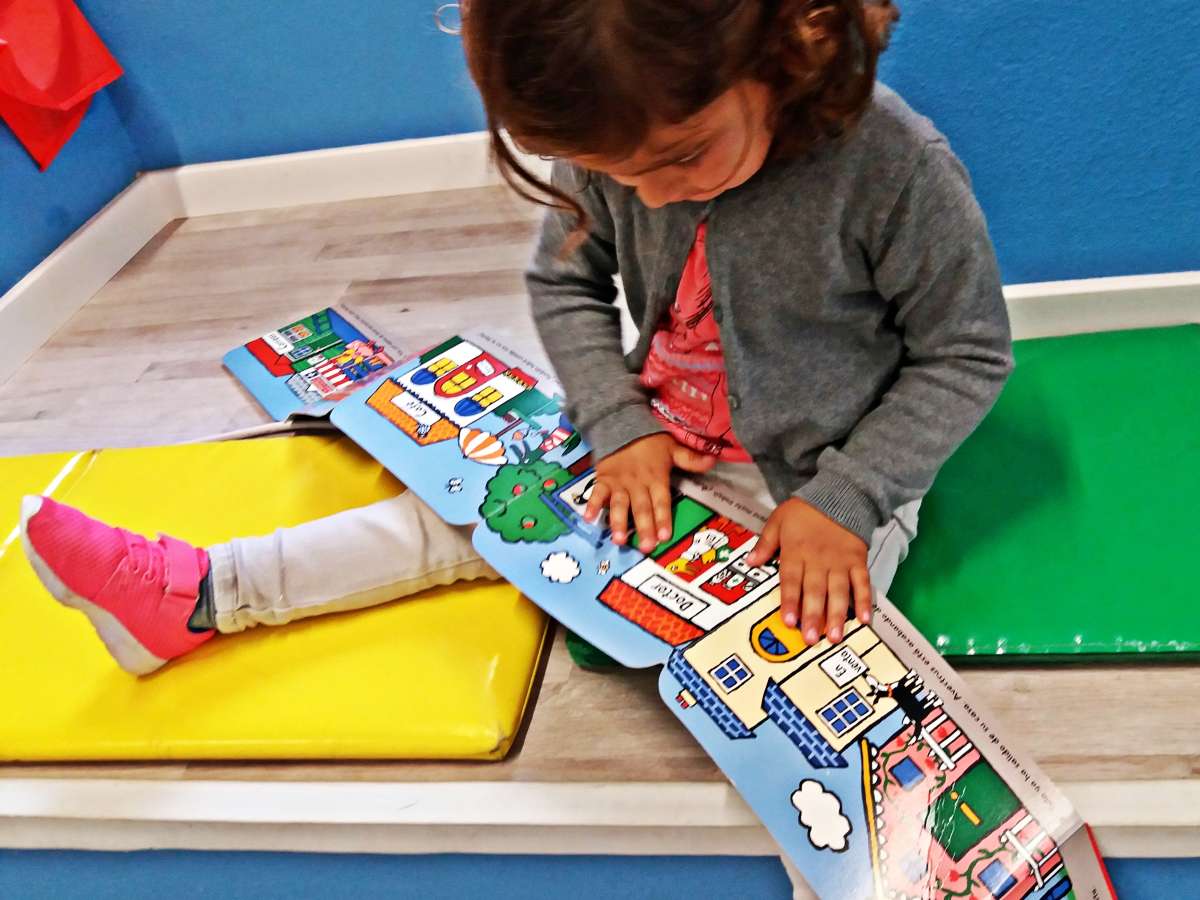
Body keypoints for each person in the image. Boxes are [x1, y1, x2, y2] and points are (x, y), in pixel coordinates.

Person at [20, 2, 1010, 893]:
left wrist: (848, 497)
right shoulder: (621, 131)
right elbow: (565, 286)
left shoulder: (892, 168)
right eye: (621, 175)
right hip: (653, 439)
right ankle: (197, 594)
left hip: (819, 479)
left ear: (793, 38)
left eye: (680, 160)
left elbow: (965, 352)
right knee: (455, 516)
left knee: (812, 692)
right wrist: (619, 424)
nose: (651, 199)